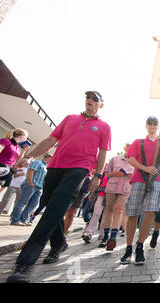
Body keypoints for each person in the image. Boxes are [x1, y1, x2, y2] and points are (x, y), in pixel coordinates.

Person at [7, 90, 111, 283]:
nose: (90, 100)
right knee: (48, 203)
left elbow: (103, 152)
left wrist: (98, 174)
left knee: (55, 209)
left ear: (101, 105)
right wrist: (29, 156)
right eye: (87, 97)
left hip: (80, 169)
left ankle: (25, 263)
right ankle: (59, 243)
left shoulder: (104, 127)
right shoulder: (70, 118)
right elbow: (50, 140)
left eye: (95, 99)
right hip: (55, 166)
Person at [119, 116, 160, 265]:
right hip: (138, 179)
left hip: (156, 181)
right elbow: (131, 159)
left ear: (158, 126)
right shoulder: (138, 142)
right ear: (146, 125)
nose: (153, 126)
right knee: (133, 213)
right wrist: (145, 168)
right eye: (150, 123)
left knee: (150, 212)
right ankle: (128, 248)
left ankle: (140, 245)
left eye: (155, 124)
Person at [100, 144, 134, 251]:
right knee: (109, 210)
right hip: (112, 188)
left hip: (125, 189)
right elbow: (106, 173)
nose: (130, 148)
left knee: (118, 209)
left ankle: (113, 237)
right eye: (128, 146)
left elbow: (134, 176)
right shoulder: (115, 159)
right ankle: (106, 235)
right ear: (125, 148)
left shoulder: (135, 162)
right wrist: (118, 173)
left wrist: (126, 175)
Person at [10, 154, 52, 226]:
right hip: (31, 185)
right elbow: (31, 171)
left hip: (39, 188)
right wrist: (30, 182)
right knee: (22, 202)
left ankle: (23, 220)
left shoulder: (45, 166)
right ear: (48, 157)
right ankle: (15, 220)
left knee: (33, 204)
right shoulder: (38, 162)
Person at [0, 129, 30, 193]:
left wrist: (23, 151)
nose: (26, 139)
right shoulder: (5, 141)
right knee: (8, 176)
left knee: (7, 180)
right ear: (22, 136)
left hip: (8, 168)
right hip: (2, 165)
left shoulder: (17, 147)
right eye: (26, 137)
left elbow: (18, 159)